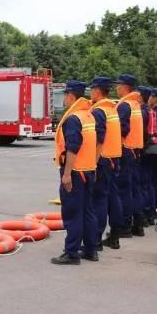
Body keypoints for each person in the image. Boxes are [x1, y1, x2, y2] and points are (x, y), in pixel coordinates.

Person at [52, 81, 98, 265]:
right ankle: (90, 250)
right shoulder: (88, 115)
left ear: (71, 96)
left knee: (73, 213)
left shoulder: (73, 119)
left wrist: (67, 174)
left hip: (76, 171)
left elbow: (73, 147)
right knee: (88, 211)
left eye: (65, 95)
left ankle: (71, 253)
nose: (64, 98)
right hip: (89, 170)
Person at [89, 77, 123, 250]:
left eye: (92, 89)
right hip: (114, 159)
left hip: (102, 160)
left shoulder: (99, 111)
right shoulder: (112, 109)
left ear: (97, 91)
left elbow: (99, 139)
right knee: (112, 198)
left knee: (99, 201)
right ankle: (115, 235)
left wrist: (93, 163)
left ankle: (95, 240)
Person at [114, 74, 146, 237]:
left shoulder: (125, 105)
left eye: (118, 85)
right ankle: (138, 225)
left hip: (126, 151)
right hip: (135, 151)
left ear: (125, 87)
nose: (116, 88)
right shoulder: (135, 104)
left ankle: (125, 226)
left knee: (124, 190)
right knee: (134, 188)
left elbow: (122, 129)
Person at [137, 85, 156, 226]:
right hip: (150, 148)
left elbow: (142, 133)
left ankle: (145, 213)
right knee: (149, 184)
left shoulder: (142, 112)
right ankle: (150, 212)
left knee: (143, 184)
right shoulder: (149, 111)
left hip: (143, 151)